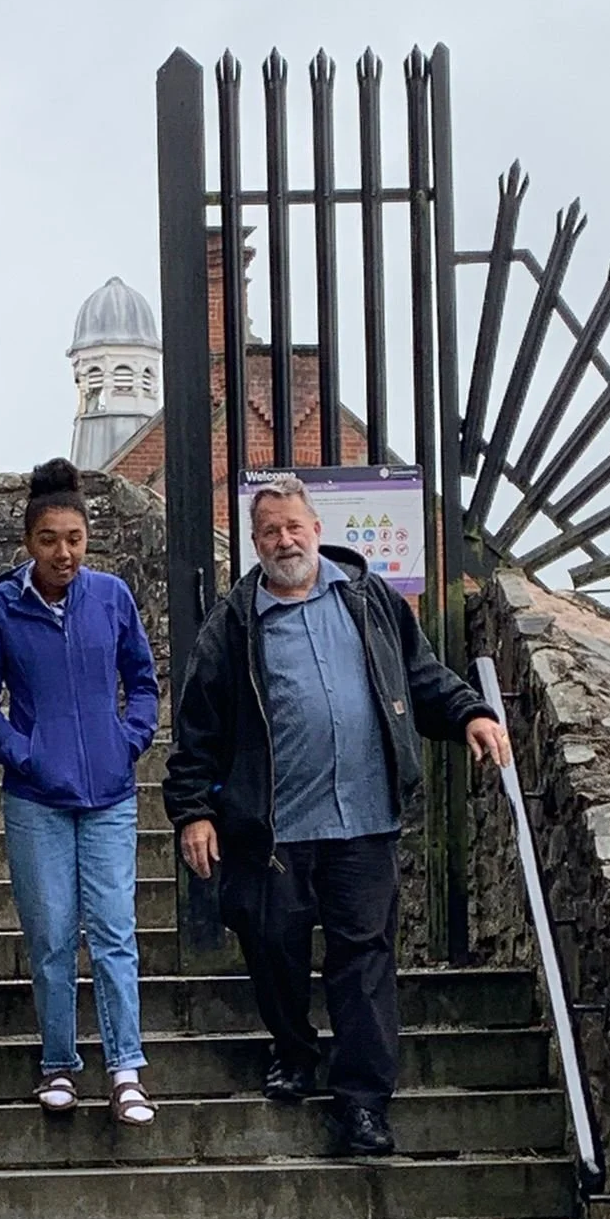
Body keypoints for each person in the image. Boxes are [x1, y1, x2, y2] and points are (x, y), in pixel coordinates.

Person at [163, 474, 512, 1158]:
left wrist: (471, 709)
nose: (284, 540)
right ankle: (294, 1050)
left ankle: (361, 1105)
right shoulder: (233, 625)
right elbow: (196, 731)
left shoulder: (367, 599)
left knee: (364, 963)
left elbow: (421, 674)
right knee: (274, 953)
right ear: (254, 542)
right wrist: (193, 813)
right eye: (270, 532)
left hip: (363, 820)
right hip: (274, 831)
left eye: (294, 527)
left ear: (317, 529)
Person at [0, 459, 161, 1124]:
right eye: (49, 539)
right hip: (34, 799)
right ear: (29, 542)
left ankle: (126, 1068)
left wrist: (127, 738)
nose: (64, 553)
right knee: (50, 932)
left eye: (74, 538)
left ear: (88, 537)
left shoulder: (112, 598)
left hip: (109, 794)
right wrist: (25, 755)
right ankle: (58, 1064)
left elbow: (143, 681)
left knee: (113, 929)